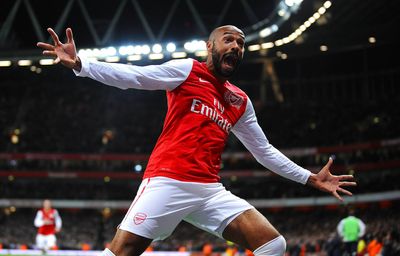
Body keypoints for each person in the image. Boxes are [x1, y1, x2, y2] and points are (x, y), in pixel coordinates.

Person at [37, 25, 356, 256]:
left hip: (209, 190)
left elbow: (264, 151)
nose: (235, 46)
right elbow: (135, 77)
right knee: (121, 253)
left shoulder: (239, 101)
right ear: (210, 46)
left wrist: (309, 177)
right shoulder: (187, 72)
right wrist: (82, 65)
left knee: (273, 244)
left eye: (241, 43)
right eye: (228, 39)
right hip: (167, 180)